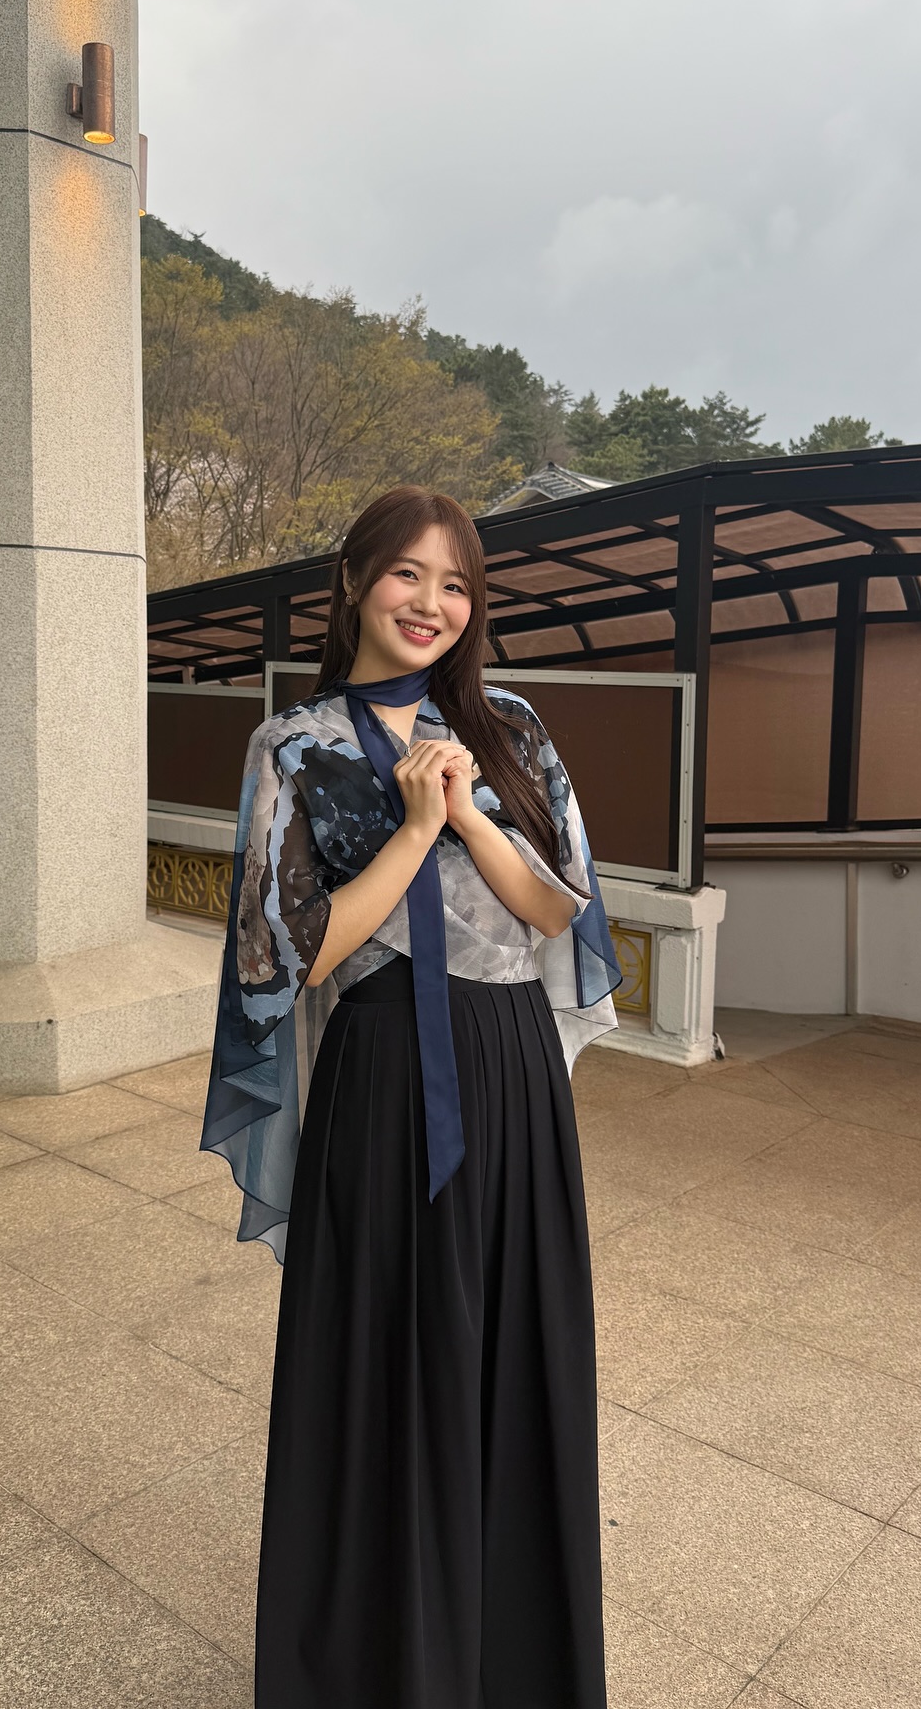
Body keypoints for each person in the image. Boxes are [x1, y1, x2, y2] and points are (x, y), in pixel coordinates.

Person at [200, 484, 621, 1709]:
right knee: (384, 1355)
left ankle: (513, 1663)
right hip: (383, 1070)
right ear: (352, 583)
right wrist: (410, 826)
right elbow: (291, 955)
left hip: (510, 1065)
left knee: (510, 1346)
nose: (431, 603)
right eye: (407, 575)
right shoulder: (294, 744)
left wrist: (468, 816)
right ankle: (381, 1666)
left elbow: (559, 908)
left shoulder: (511, 726)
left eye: (456, 584)